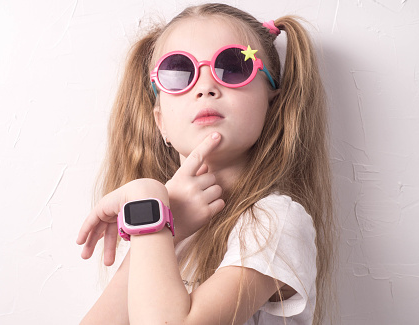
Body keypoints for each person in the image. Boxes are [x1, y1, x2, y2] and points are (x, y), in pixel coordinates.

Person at [77, 3, 335, 325]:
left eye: (233, 67)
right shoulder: (165, 225)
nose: (205, 87)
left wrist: (147, 197)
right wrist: (168, 224)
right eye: (178, 73)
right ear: (161, 124)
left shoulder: (275, 220)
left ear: (273, 103)